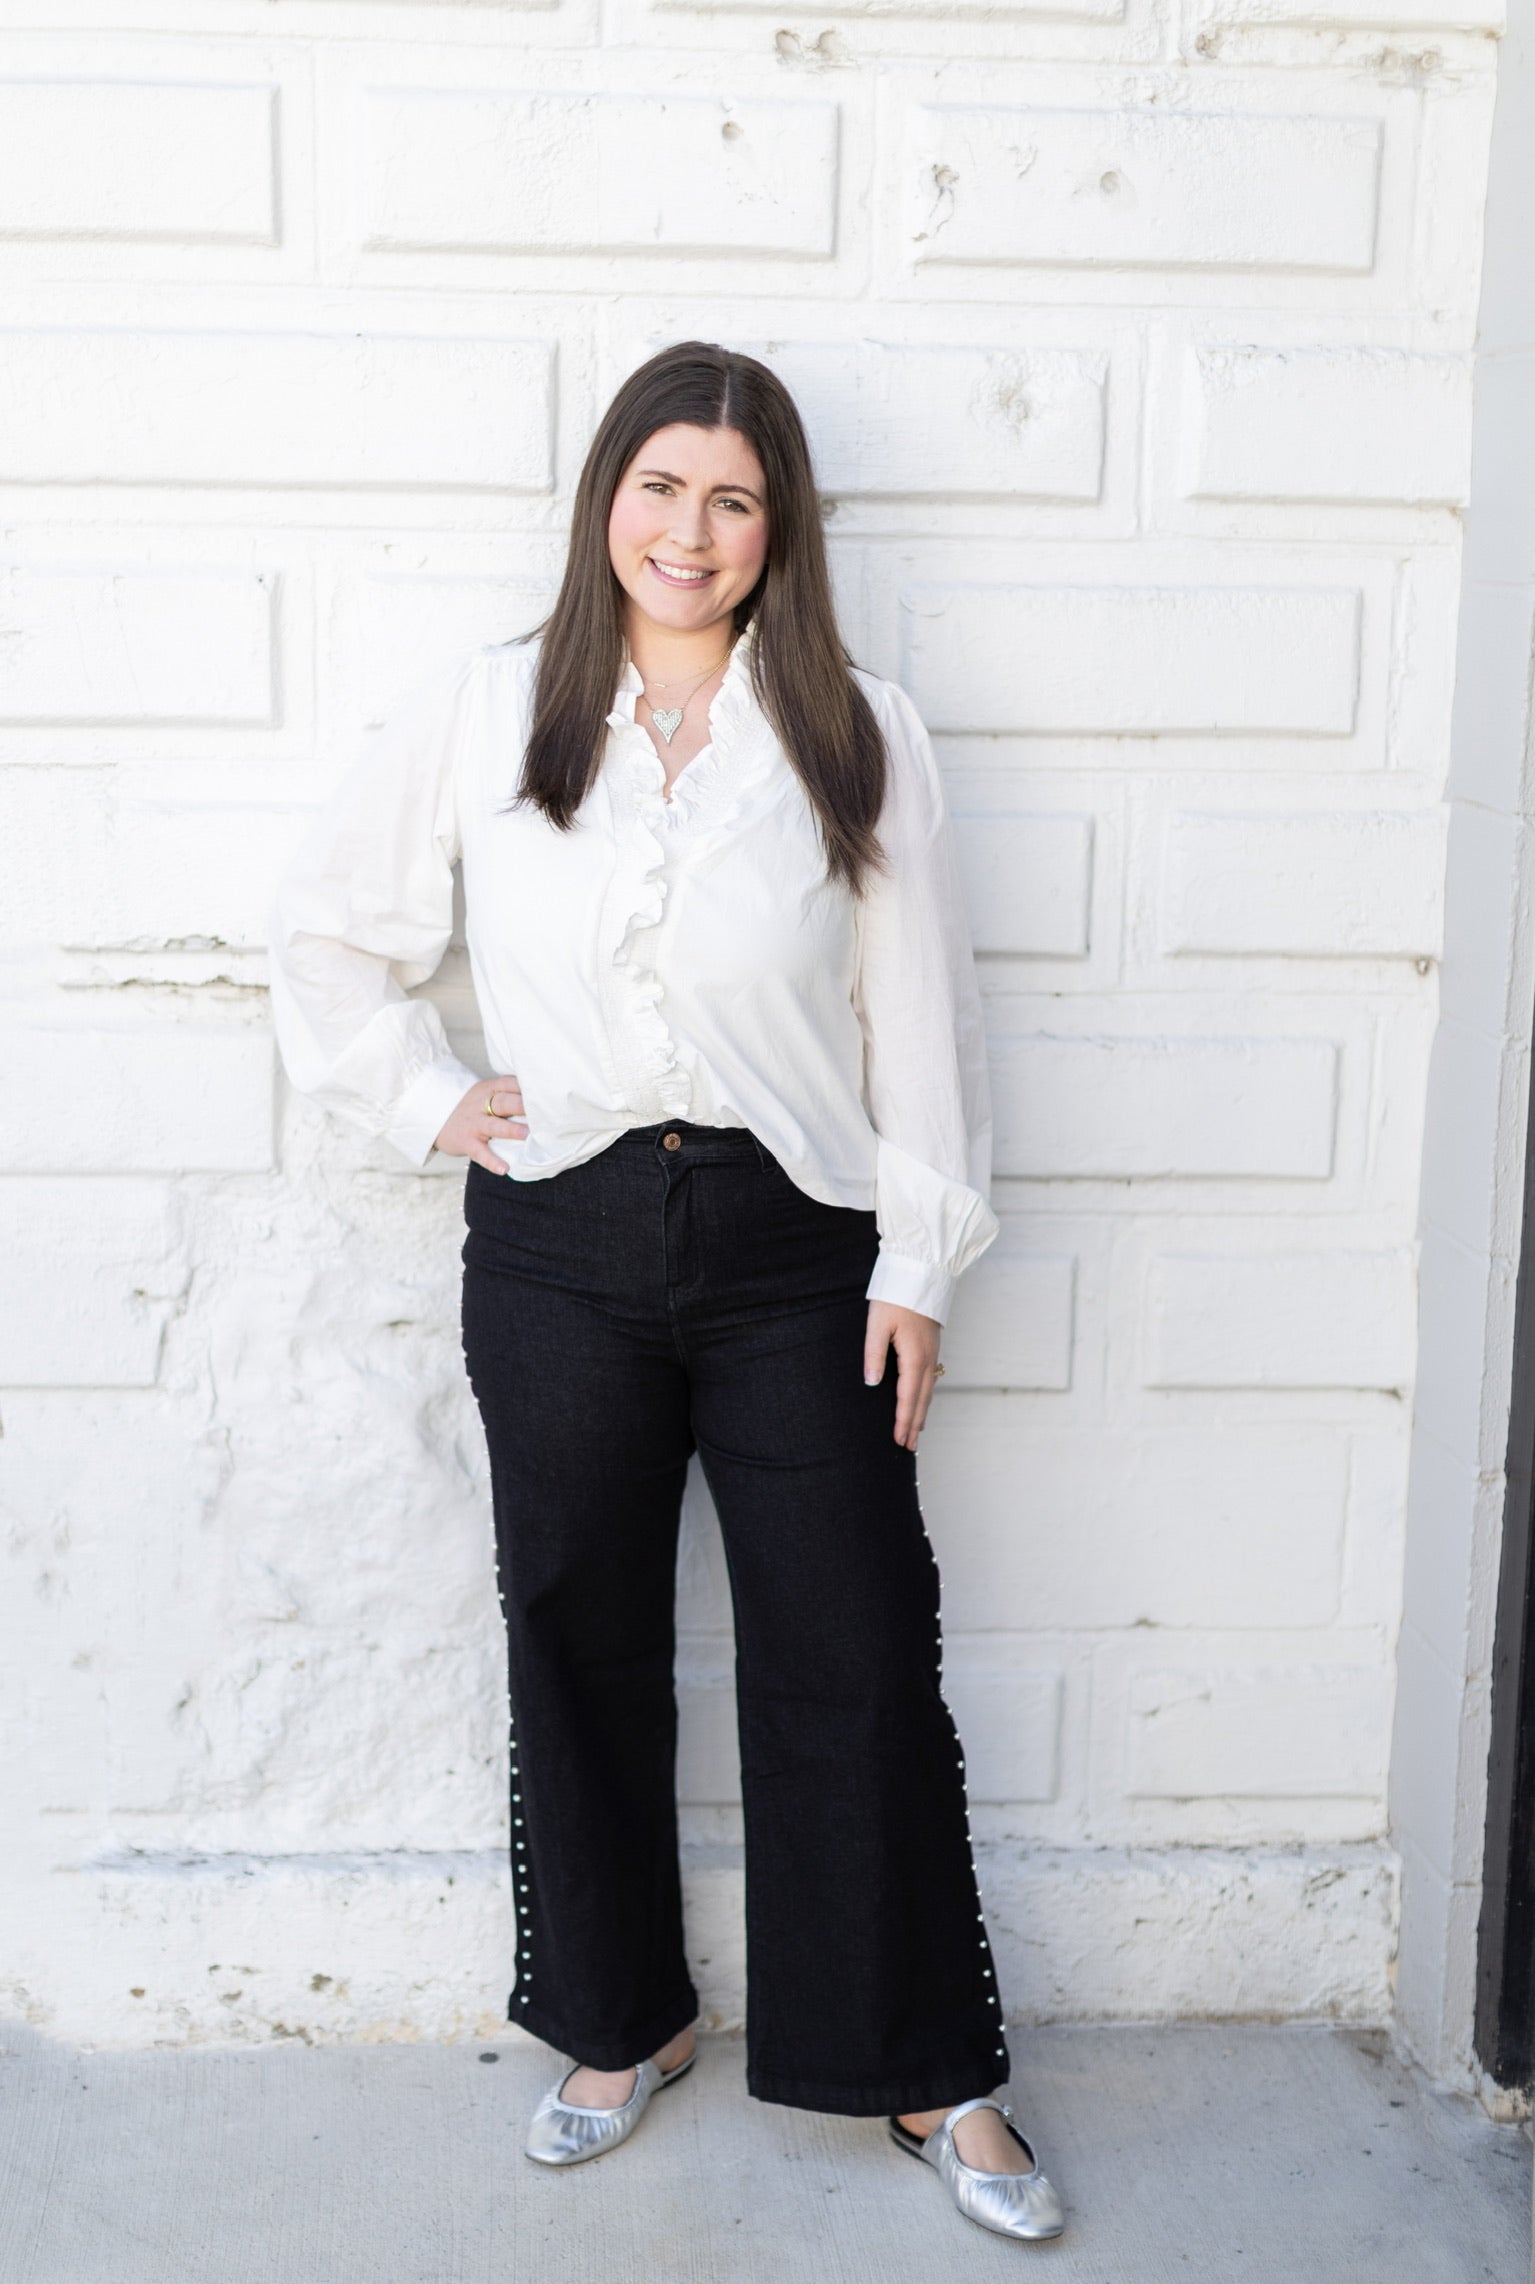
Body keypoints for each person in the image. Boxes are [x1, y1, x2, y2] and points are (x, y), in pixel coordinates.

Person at [265, 340, 1064, 2245]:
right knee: (578, 1628)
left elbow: (921, 1021)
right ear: (603, 499)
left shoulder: (855, 729)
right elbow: (325, 940)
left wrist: (920, 1262)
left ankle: (929, 2070)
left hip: (799, 1244)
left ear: (776, 527)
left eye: (730, 496)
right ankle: (625, 2024)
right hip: (559, 1239)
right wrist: (431, 1097)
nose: (686, 531)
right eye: (656, 485)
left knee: (854, 1651)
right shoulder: (490, 714)